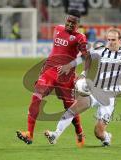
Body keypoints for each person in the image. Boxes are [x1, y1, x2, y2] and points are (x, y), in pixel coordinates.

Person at [16, 10, 91, 147]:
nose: (69, 24)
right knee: (36, 97)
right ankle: (29, 133)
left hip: (66, 78)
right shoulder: (57, 29)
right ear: (65, 19)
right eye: (68, 21)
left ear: (78, 24)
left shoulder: (80, 38)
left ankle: (79, 132)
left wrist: (84, 73)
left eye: (73, 23)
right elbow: (54, 52)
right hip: (49, 72)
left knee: (69, 108)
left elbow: (86, 56)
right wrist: (41, 73)